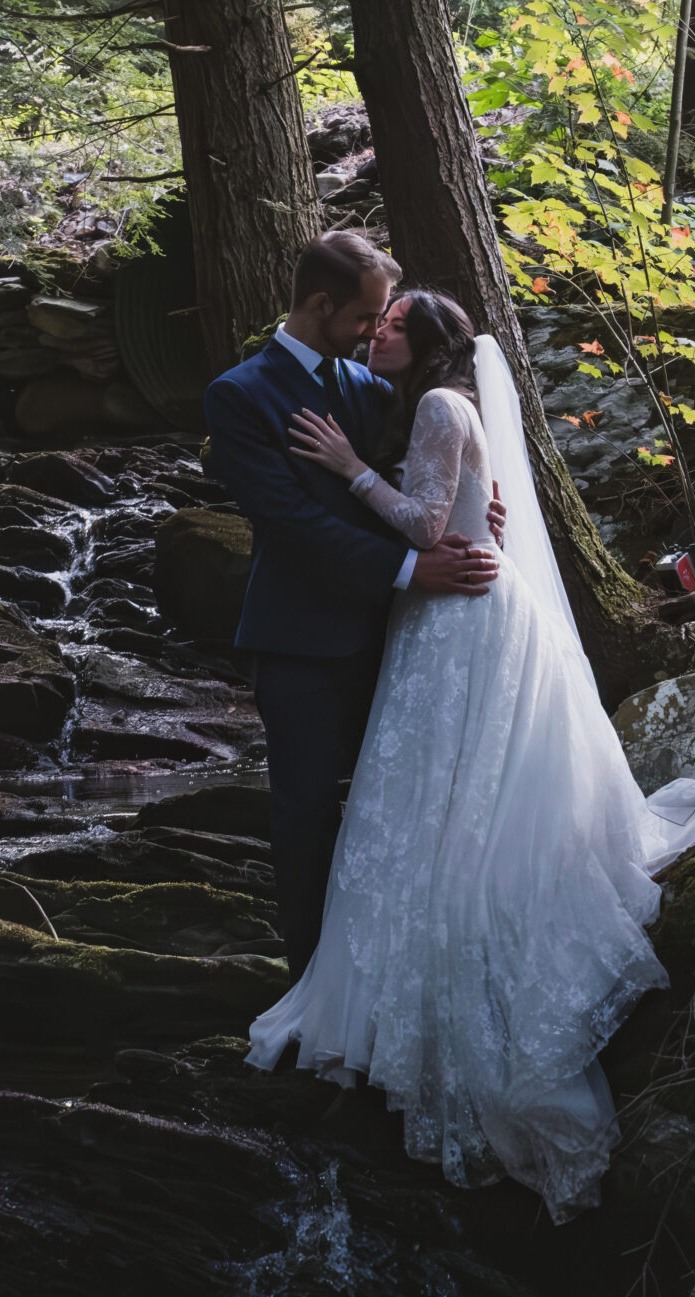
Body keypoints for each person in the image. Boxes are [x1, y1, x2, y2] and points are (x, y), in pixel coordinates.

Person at [244, 287, 695, 1221]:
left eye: (391, 326)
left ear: (425, 345)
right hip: (454, 612)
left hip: (458, 616)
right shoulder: (435, 400)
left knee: (443, 799)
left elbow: (428, 528)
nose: (374, 331)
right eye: (372, 319)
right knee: (438, 797)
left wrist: (349, 468)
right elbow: (470, 508)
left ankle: (416, 1006)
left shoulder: (433, 403)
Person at [201, 232, 503, 982]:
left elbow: (421, 475)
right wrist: (412, 566)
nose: (378, 329)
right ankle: (310, 985)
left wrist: (476, 515)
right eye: (368, 316)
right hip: (300, 640)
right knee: (305, 817)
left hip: (396, 640)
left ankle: (391, 977)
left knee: (397, 813)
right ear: (320, 304)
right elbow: (291, 524)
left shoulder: (374, 386)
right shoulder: (240, 394)